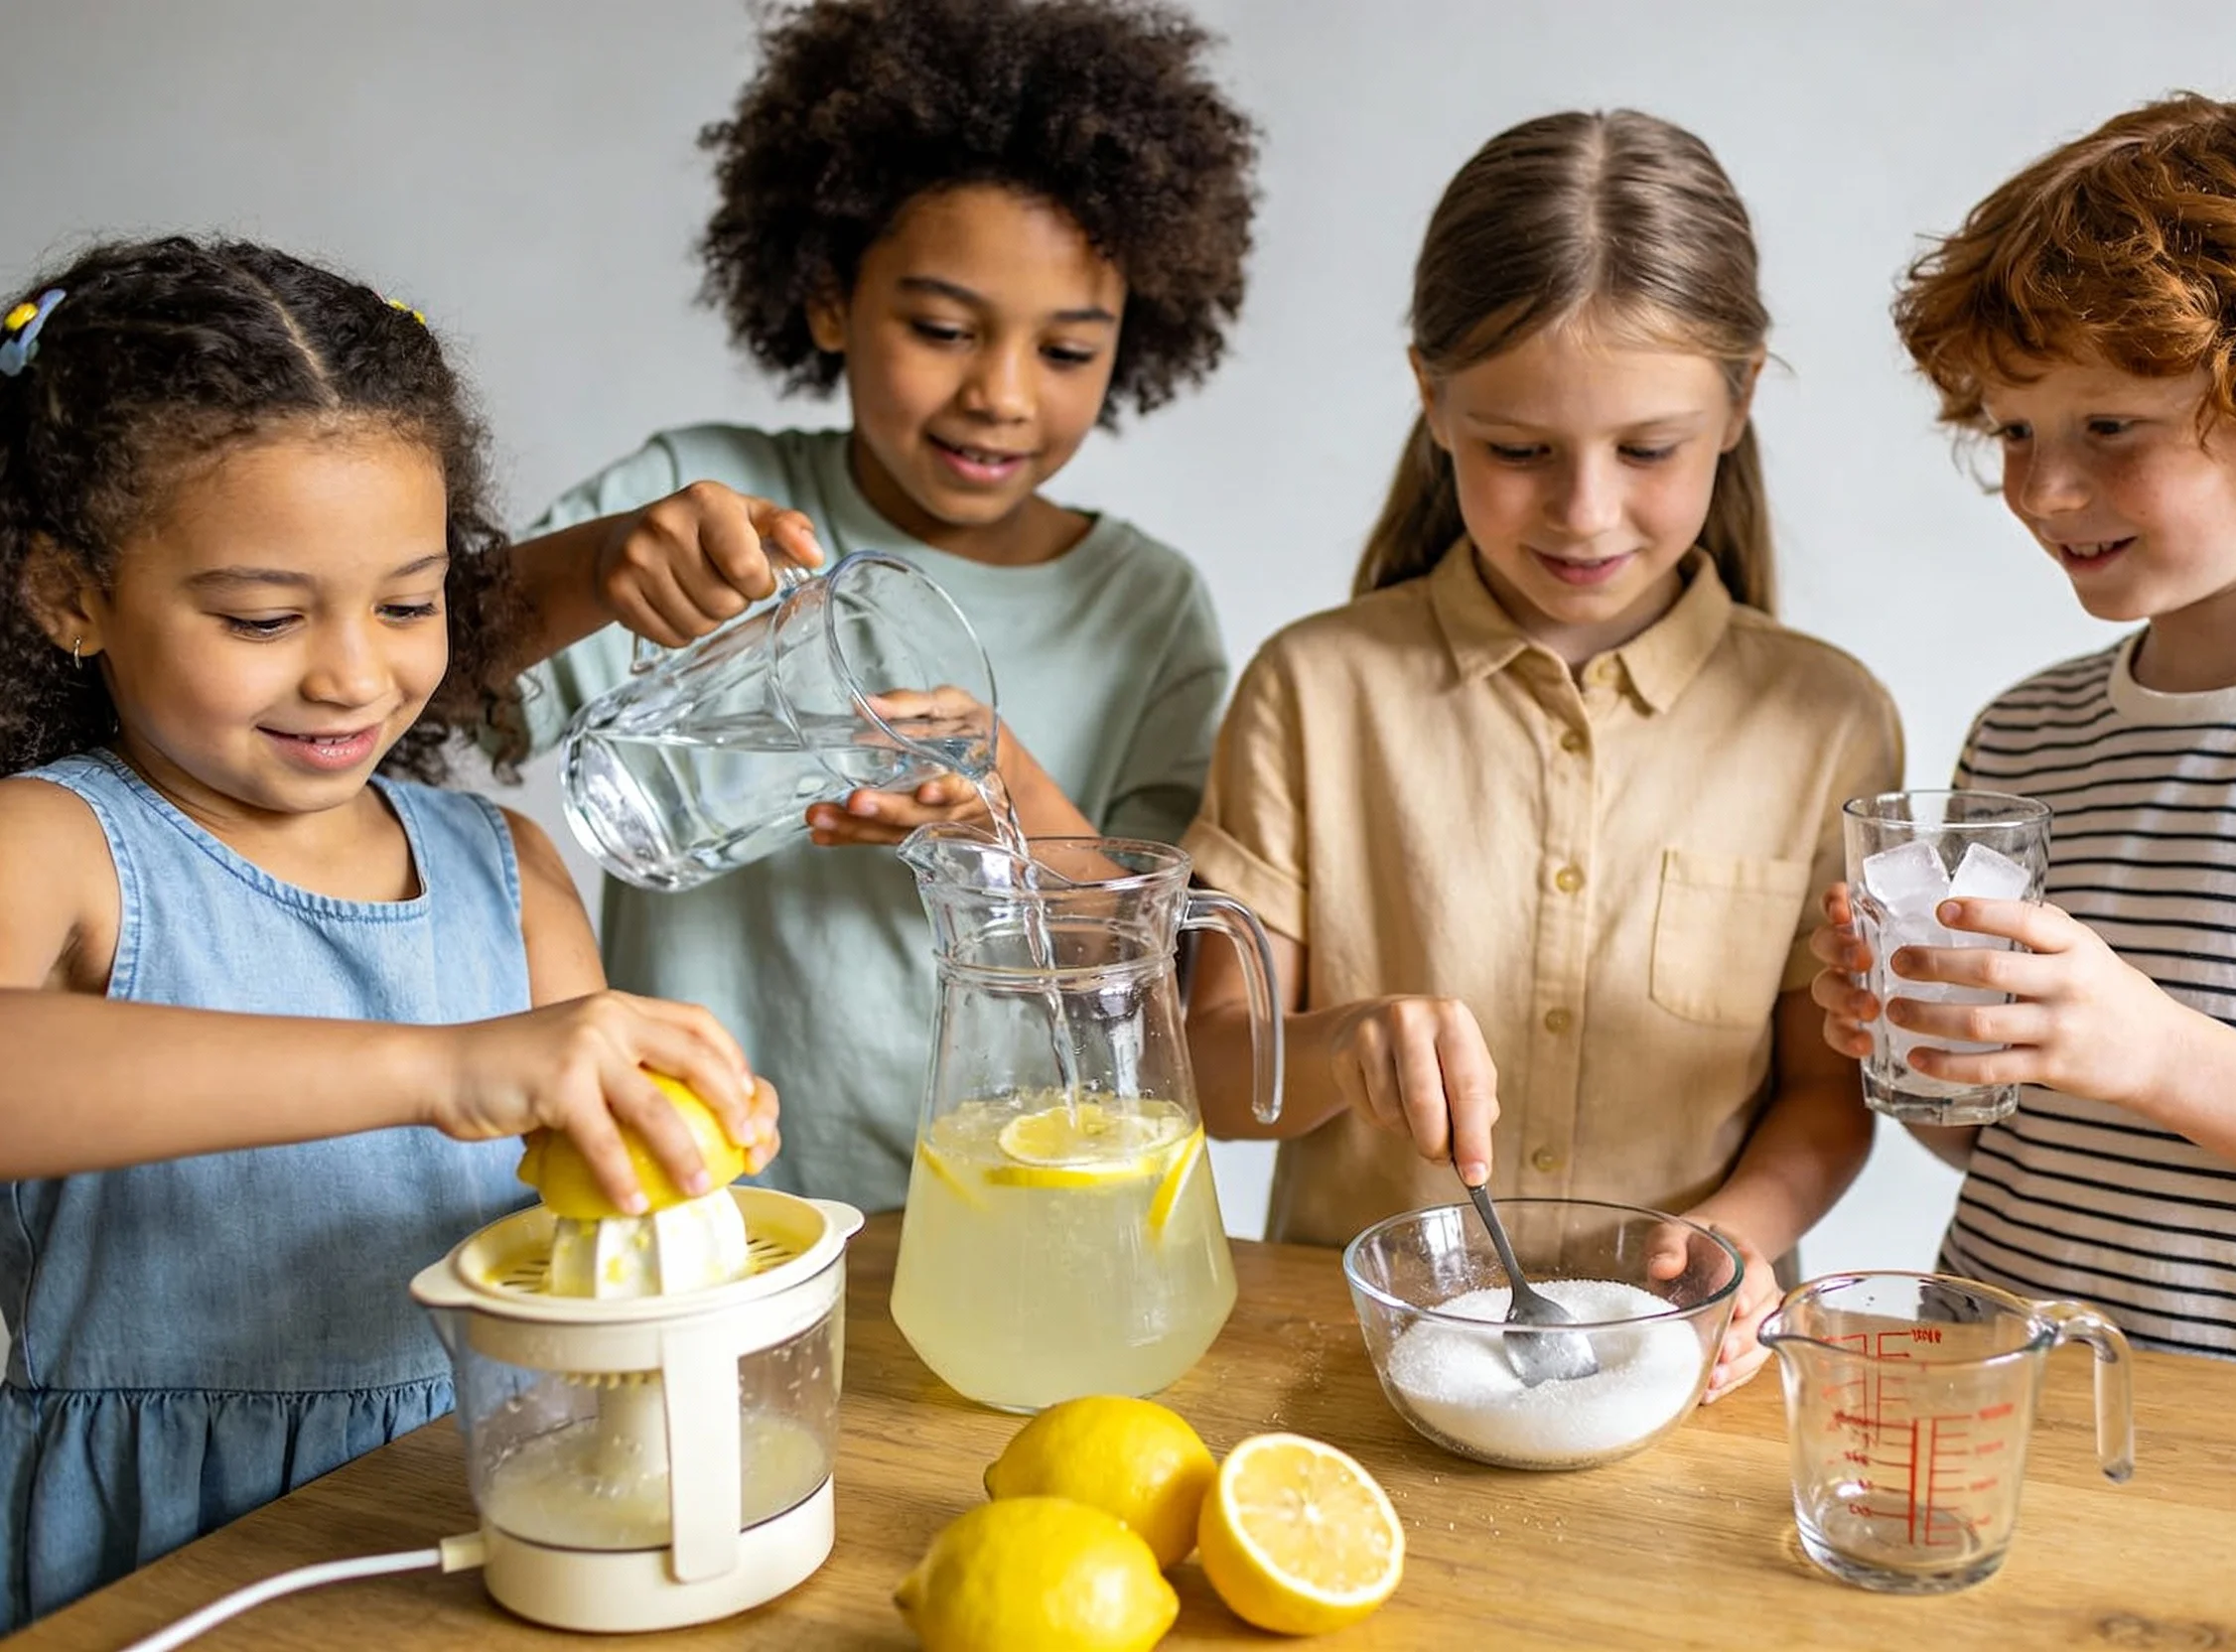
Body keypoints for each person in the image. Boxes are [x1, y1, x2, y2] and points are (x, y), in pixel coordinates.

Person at [0, 236, 777, 1626]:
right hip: (145, 1552)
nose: (357, 670)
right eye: (260, 615)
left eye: (410, 602)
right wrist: (436, 1067)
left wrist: (677, 1147)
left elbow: (579, 1211)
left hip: (486, 1512)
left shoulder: (503, 867)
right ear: (71, 596)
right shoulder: (60, 847)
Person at [1185, 111, 1902, 1400]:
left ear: (1739, 400)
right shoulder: (1313, 688)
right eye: (1520, 451)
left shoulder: (1827, 720)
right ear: (1433, 399)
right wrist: (1343, 1040)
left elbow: (1826, 1097)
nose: (1584, 511)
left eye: (1647, 449)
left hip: (1681, 1371)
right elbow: (1207, 1071)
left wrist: (1736, 1239)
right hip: (1360, 1369)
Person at [507, 0, 1258, 1208]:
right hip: (699, 1192)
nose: (1001, 394)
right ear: (826, 298)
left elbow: (1143, 984)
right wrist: (592, 569)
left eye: (1066, 351)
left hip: (991, 1211)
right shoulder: (699, 501)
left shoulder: (1148, 606)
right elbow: (428, 689)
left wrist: (1003, 788)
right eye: (943, 327)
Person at [1807, 89, 2236, 1389]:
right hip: (2013, 1421)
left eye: (2109, 426)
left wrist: (2159, 1052)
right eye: (2014, 428)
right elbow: (2029, 1147)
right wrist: (1931, 1059)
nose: (2043, 489)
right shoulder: (2032, 733)